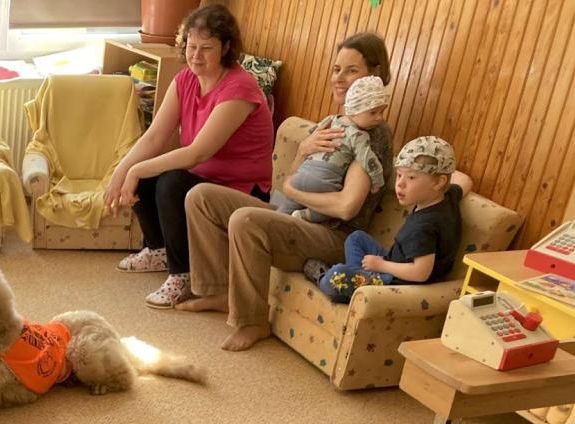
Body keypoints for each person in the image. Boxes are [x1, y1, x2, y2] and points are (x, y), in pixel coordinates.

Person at [184, 32, 395, 351]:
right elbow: (293, 178)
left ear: (374, 75)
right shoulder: (332, 123)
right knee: (201, 197)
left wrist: (291, 189)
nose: (339, 78)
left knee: (246, 220)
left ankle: (252, 322)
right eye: (336, 69)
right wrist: (303, 150)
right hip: (295, 216)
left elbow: (346, 207)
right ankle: (218, 291)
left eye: (351, 70)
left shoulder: (372, 133)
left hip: (333, 234)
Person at [105, 4, 273, 309]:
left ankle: (181, 275)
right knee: (147, 172)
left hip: (241, 190)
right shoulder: (185, 79)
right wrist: (122, 170)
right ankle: (158, 249)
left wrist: (136, 170)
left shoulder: (239, 88)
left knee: (168, 181)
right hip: (203, 178)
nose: (196, 55)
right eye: (191, 46)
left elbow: (199, 153)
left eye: (206, 48)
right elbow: (154, 137)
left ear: (225, 48)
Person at [314, 136, 472, 302]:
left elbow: (420, 273)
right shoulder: (448, 196)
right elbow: (465, 181)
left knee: (335, 276)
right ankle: (361, 283)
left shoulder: (423, 227)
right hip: (396, 262)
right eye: (399, 175)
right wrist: (441, 167)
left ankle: (332, 280)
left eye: (411, 178)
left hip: (399, 283)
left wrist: (381, 265)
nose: (400, 184)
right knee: (356, 238)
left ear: (439, 182)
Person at [271, 75, 390, 223]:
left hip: (300, 177)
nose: (380, 118)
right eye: (373, 112)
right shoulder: (359, 135)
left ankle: (277, 218)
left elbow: (345, 209)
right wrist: (377, 181)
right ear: (354, 110)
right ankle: (304, 215)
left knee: (282, 212)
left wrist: (291, 189)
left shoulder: (331, 120)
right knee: (326, 212)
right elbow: (368, 160)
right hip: (323, 183)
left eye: (381, 112)